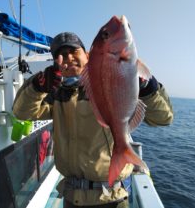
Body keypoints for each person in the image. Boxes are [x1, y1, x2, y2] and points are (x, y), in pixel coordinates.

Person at [13, 32, 173, 208]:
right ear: (56, 62)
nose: (69, 58)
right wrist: (37, 86)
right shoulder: (55, 94)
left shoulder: (106, 84)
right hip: (71, 197)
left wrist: (147, 87)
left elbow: (163, 118)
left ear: (88, 55)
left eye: (74, 51)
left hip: (111, 198)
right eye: (62, 54)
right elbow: (22, 113)